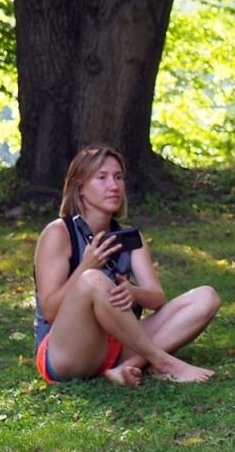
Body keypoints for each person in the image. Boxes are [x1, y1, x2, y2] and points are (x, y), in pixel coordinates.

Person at [32, 145, 218, 386]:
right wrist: (86, 266)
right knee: (92, 279)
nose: (113, 185)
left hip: (115, 346)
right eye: (102, 178)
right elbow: (50, 311)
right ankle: (163, 362)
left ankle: (127, 367)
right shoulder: (58, 233)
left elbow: (156, 298)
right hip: (66, 354)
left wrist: (134, 292)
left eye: (118, 177)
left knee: (206, 297)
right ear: (80, 187)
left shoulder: (130, 237)